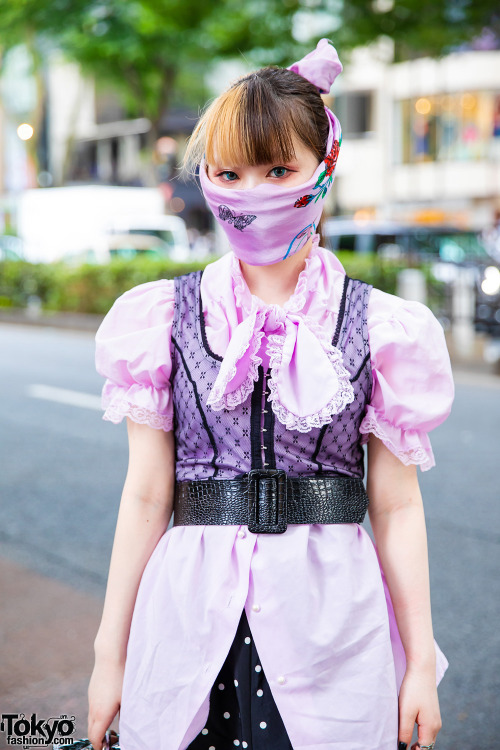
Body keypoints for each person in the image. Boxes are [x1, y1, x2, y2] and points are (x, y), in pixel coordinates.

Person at [88, 38, 454, 750]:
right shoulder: (164, 316)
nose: (253, 192)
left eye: (279, 168)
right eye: (230, 172)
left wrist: (420, 665)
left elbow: (398, 504)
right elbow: (144, 497)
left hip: (334, 627)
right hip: (188, 622)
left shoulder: (382, 327)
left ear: (325, 170)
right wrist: (110, 657)